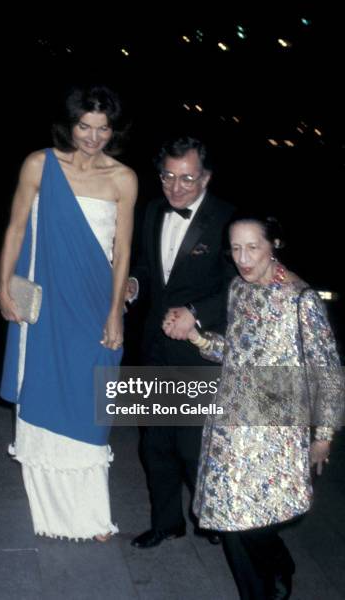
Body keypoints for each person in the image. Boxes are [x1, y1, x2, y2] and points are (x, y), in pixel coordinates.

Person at [164, 214, 344, 598]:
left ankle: (274, 565)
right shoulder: (238, 289)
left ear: (273, 245)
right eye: (235, 248)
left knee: (256, 522)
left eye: (253, 247)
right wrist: (197, 337)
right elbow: (235, 354)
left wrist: (323, 436)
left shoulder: (301, 300)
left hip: (275, 432)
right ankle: (266, 580)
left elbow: (326, 370)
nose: (243, 258)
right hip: (230, 425)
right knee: (230, 520)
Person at [0, 84, 137, 541]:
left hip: (96, 305)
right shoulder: (39, 165)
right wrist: (3, 285)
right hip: (48, 304)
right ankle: (54, 512)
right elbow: (16, 228)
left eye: (102, 128)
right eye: (84, 126)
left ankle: (93, 514)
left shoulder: (123, 178)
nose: (93, 137)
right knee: (44, 391)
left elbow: (123, 250)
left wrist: (115, 313)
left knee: (93, 407)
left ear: (113, 131)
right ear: (70, 124)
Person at [127, 136, 235, 549]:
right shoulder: (153, 210)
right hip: (154, 346)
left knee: (194, 448)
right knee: (154, 444)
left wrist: (196, 312)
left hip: (198, 350)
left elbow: (237, 287)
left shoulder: (227, 219)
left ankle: (212, 517)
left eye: (187, 178)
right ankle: (167, 522)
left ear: (206, 177)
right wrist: (135, 283)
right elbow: (146, 265)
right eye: (168, 176)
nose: (175, 188)